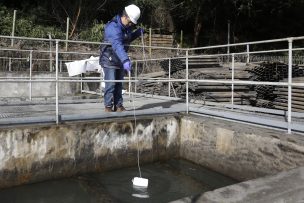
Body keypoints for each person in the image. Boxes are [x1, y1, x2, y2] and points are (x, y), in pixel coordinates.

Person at [99, 4, 144, 112]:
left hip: (119, 59)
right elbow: (117, 44)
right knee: (111, 84)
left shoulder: (126, 27)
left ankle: (119, 106)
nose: (130, 25)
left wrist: (136, 34)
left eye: (132, 24)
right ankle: (108, 107)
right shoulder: (113, 27)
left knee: (119, 84)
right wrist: (125, 60)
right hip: (109, 58)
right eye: (130, 22)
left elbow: (126, 40)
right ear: (125, 17)